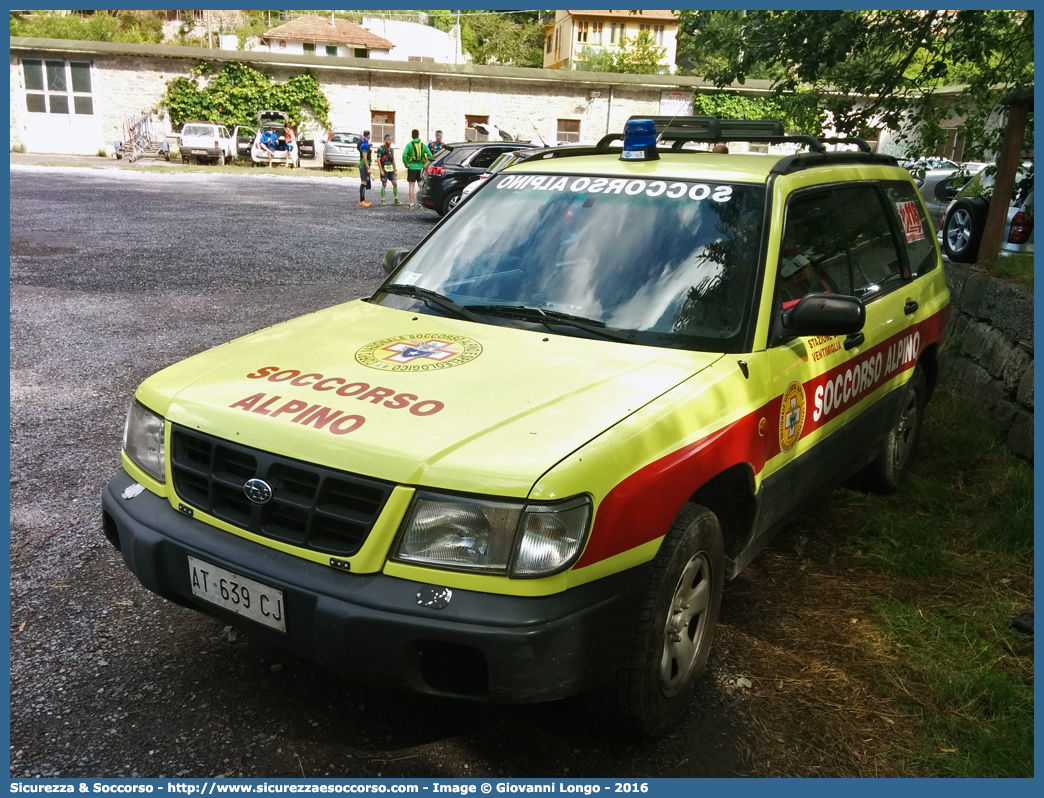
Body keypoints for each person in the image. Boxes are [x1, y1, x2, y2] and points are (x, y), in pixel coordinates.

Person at [402, 129, 433, 210]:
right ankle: (421, 205)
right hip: (420, 167)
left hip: (412, 167)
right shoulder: (423, 145)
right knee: (420, 186)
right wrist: (426, 164)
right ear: (418, 135)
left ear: (412, 136)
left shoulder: (409, 145)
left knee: (411, 186)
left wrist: (406, 164)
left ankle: (411, 205)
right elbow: (430, 155)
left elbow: (404, 155)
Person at [376, 134, 402, 206]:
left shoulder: (391, 150)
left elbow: (393, 160)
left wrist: (395, 169)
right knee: (384, 184)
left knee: (395, 183)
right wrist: (381, 170)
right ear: (385, 140)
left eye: (391, 140)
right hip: (384, 168)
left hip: (390, 168)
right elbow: (378, 160)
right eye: (388, 140)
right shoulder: (380, 149)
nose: (390, 142)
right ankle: (383, 200)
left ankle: (396, 199)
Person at [357, 130, 372, 208]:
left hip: (364, 164)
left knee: (365, 181)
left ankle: (363, 199)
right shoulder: (364, 145)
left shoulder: (365, 143)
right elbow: (364, 157)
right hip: (363, 165)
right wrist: (367, 167)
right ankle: (361, 200)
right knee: (364, 182)